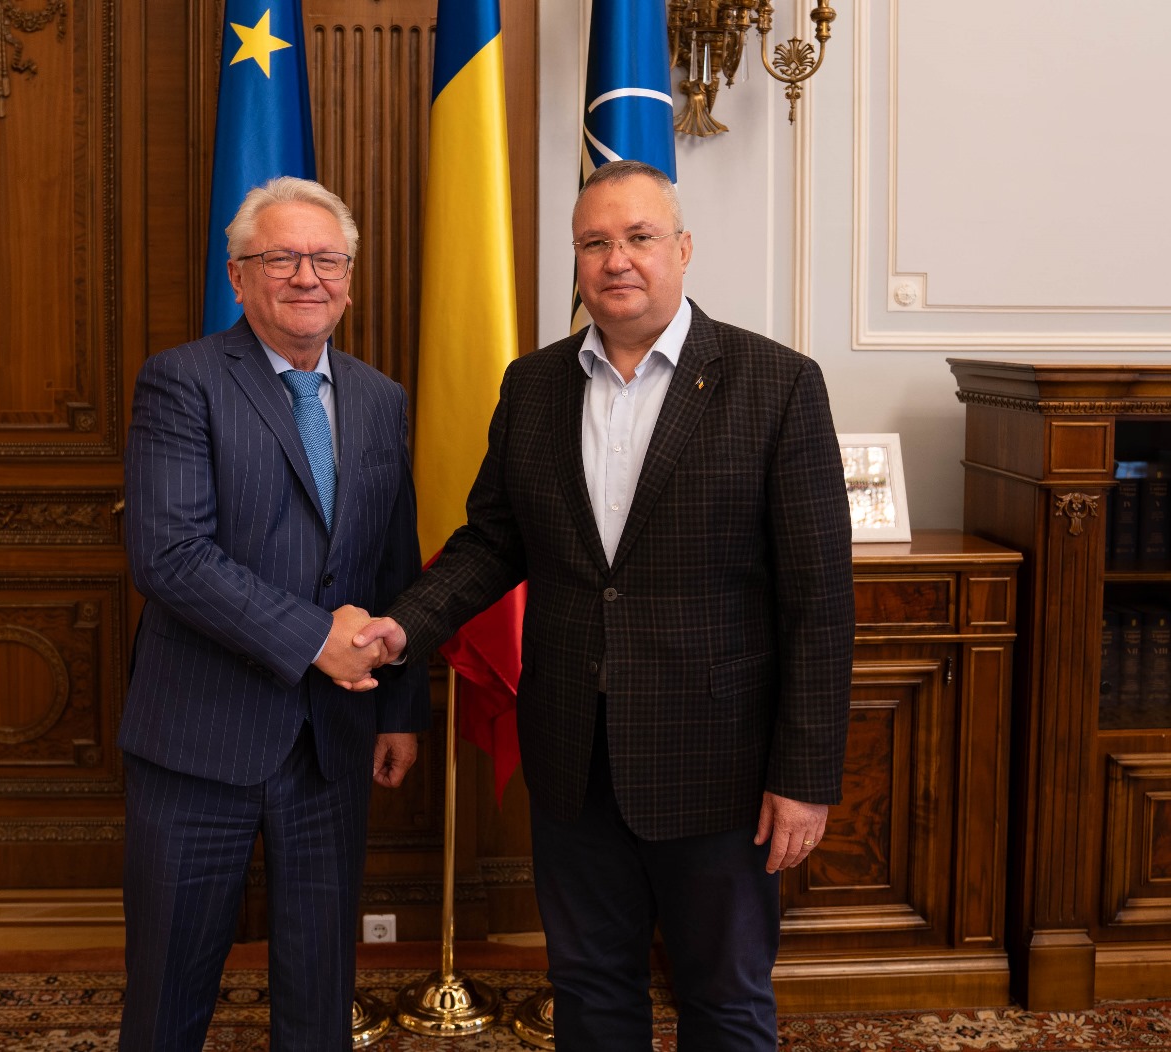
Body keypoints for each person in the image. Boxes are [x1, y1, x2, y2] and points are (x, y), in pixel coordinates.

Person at [353, 159, 855, 1051]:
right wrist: (402, 628)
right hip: (571, 760)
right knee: (588, 993)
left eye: (639, 237)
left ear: (683, 249)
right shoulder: (533, 385)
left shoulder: (775, 383)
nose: (616, 259)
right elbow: (492, 543)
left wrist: (805, 777)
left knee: (725, 1001)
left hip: (719, 768)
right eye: (594, 242)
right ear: (577, 260)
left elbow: (818, 602)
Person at [118, 175, 430, 1051]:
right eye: (281, 257)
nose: (306, 276)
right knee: (169, 996)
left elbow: (393, 562)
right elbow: (169, 555)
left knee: (320, 999)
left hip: (331, 746)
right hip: (198, 742)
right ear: (238, 275)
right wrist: (315, 639)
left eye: (326, 259)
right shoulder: (181, 383)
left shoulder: (379, 398)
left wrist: (400, 710)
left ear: (349, 280)